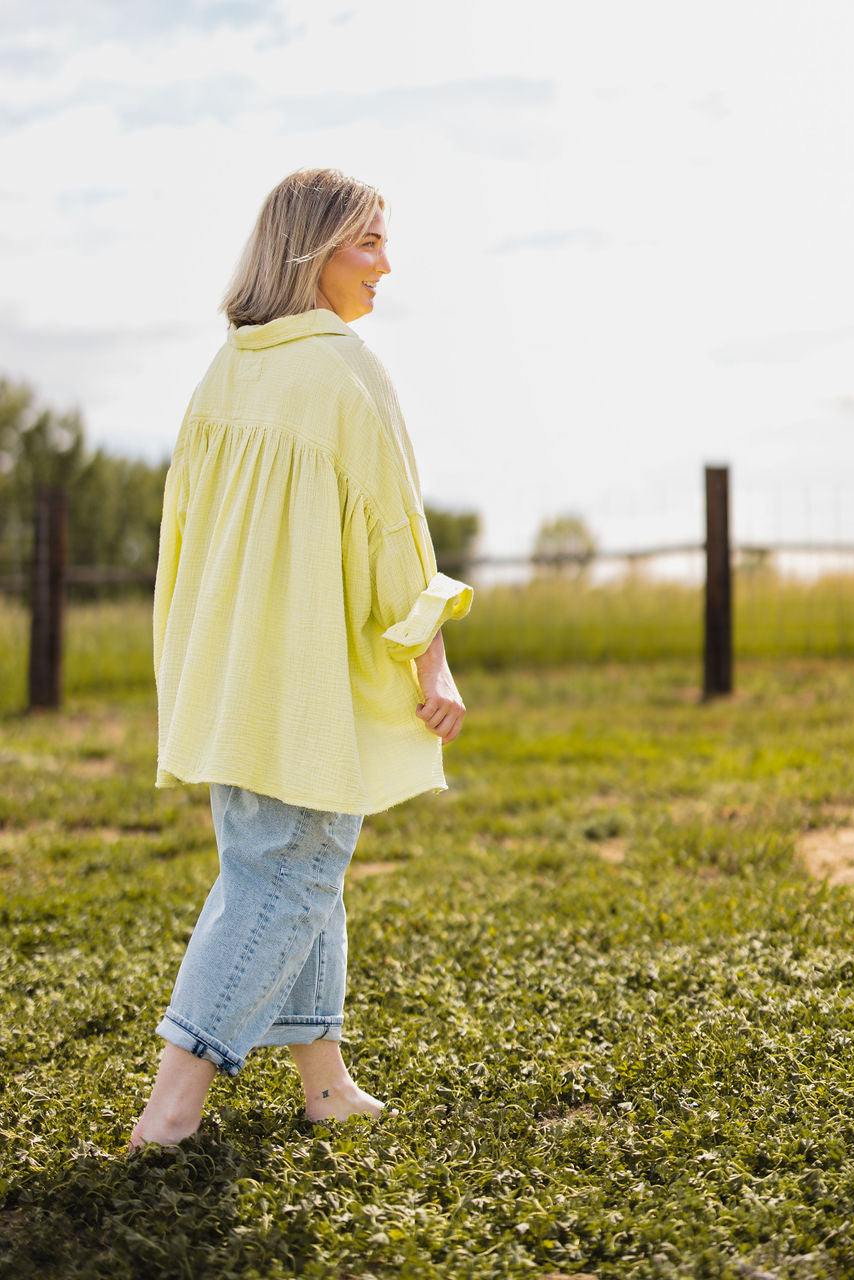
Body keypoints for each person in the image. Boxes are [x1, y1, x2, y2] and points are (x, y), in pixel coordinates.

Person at [130, 168, 472, 1149]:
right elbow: (392, 531)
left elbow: (182, 536)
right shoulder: (343, 367)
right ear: (310, 248)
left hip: (232, 679)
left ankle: (323, 1081)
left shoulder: (226, 368)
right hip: (306, 680)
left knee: (289, 863)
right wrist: (430, 660)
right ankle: (170, 1108)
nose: (385, 263)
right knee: (285, 875)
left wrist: (191, 667)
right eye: (367, 240)